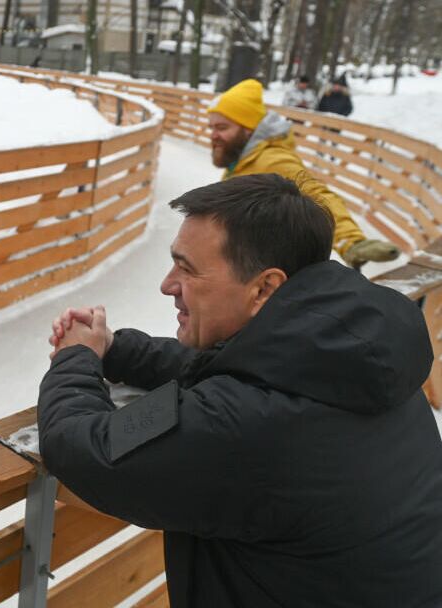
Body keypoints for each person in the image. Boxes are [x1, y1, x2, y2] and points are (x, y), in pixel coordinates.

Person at [38, 174, 442, 607]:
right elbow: (236, 366)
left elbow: (85, 447)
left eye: (187, 268)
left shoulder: (250, 425)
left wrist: (75, 356)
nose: (167, 284)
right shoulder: (357, 357)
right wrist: (117, 349)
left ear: (265, 287)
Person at [207, 77, 397, 269]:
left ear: (248, 130)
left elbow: (316, 196)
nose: (213, 135)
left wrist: (350, 241)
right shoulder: (242, 160)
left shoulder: (272, 160)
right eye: (212, 127)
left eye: (222, 127)